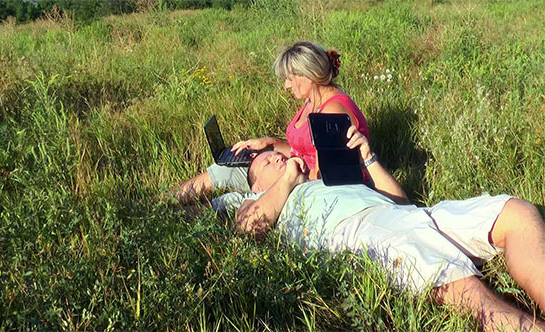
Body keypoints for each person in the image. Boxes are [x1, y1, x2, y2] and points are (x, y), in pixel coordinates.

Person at [212, 126, 545, 332]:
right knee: (454, 279)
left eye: (276, 156)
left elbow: (401, 203)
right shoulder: (254, 200)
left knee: (514, 211)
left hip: (406, 216)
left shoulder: (326, 177)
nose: (276, 159)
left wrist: (368, 158)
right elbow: (249, 227)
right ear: (255, 187)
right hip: (359, 232)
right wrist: (286, 181)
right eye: (265, 163)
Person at [177, 41, 369, 204]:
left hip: (311, 187)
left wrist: (277, 178)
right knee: (223, 170)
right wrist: (270, 144)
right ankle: (165, 200)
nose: (286, 85)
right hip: (290, 169)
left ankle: (186, 218)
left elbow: (321, 176)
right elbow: (303, 150)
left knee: (234, 202)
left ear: (307, 75)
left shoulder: (332, 112)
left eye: (289, 79)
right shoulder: (312, 100)